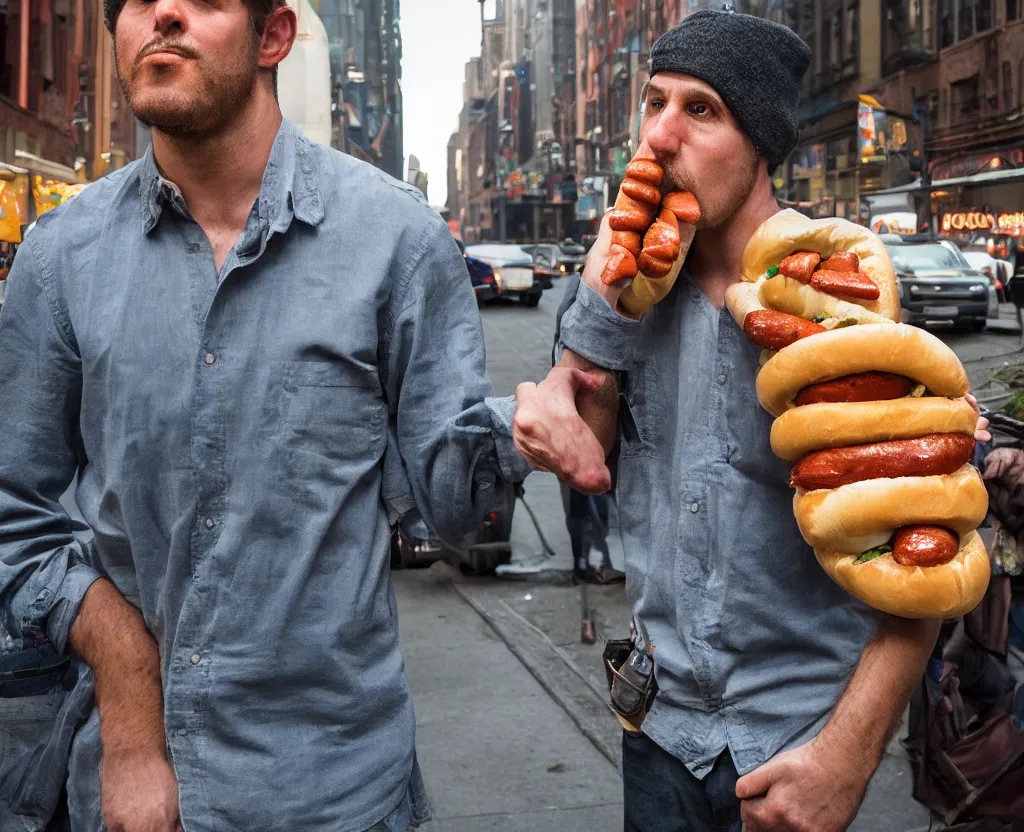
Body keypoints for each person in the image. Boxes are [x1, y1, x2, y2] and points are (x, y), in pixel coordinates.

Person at [0, 0, 609, 828]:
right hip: (132, 795)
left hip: (339, 790)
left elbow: (456, 511)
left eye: (203, 0)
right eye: (138, 1)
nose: (162, 14)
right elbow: (14, 517)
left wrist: (522, 431)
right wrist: (128, 689)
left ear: (274, 37)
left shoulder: (396, 239)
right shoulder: (59, 258)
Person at [514, 10, 992, 832]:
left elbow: (924, 571)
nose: (659, 136)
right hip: (656, 734)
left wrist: (846, 760)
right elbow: (585, 456)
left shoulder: (840, 300)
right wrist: (582, 334)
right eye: (655, 101)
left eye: (701, 110)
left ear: (762, 142)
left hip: (795, 748)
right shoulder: (623, 295)